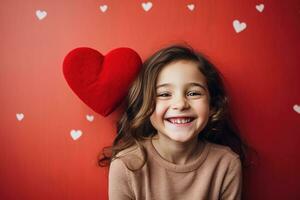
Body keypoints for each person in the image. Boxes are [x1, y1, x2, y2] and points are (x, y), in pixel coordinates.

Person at [99, 45, 249, 200]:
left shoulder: (227, 164)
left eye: (193, 93)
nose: (180, 104)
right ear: (145, 105)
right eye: (164, 94)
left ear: (212, 105)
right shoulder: (125, 165)